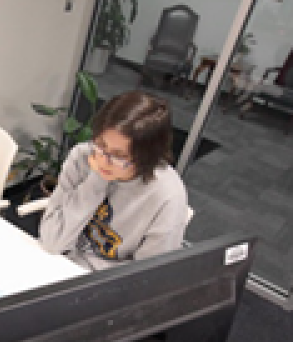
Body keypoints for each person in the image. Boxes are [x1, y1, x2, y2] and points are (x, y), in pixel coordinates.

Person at [38, 90, 190, 271]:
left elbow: (147, 275)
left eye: (119, 156)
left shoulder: (167, 196)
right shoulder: (83, 157)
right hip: (56, 263)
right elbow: (52, 241)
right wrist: (97, 179)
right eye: (101, 145)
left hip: (102, 281)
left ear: (147, 158)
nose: (103, 160)